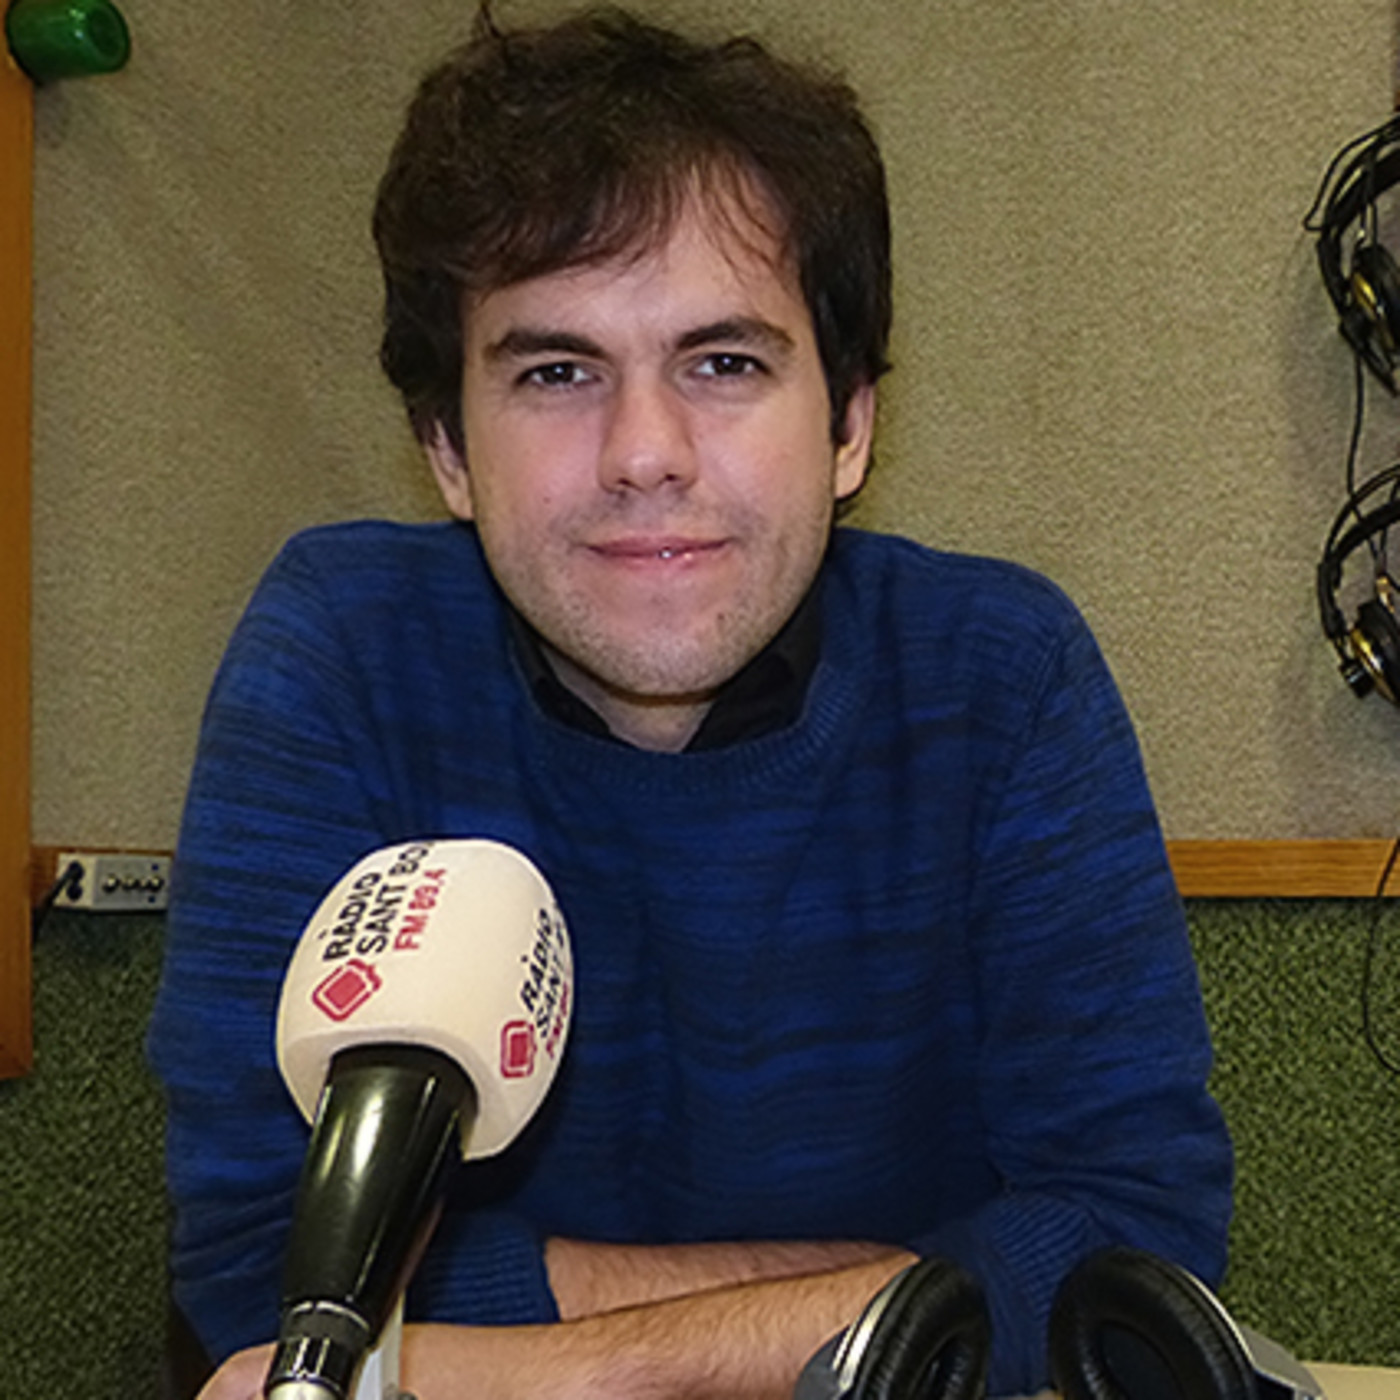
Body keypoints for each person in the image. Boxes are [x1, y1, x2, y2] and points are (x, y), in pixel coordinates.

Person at [146, 5, 1233, 1397]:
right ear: (446, 448)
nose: (646, 453)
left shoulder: (1002, 676)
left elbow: (1136, 1258)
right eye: (557, 372)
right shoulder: (344, 654)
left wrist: (561, 1370)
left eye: (724, 363)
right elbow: (268, 1272)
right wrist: (908, 1294)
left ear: (849, 425)